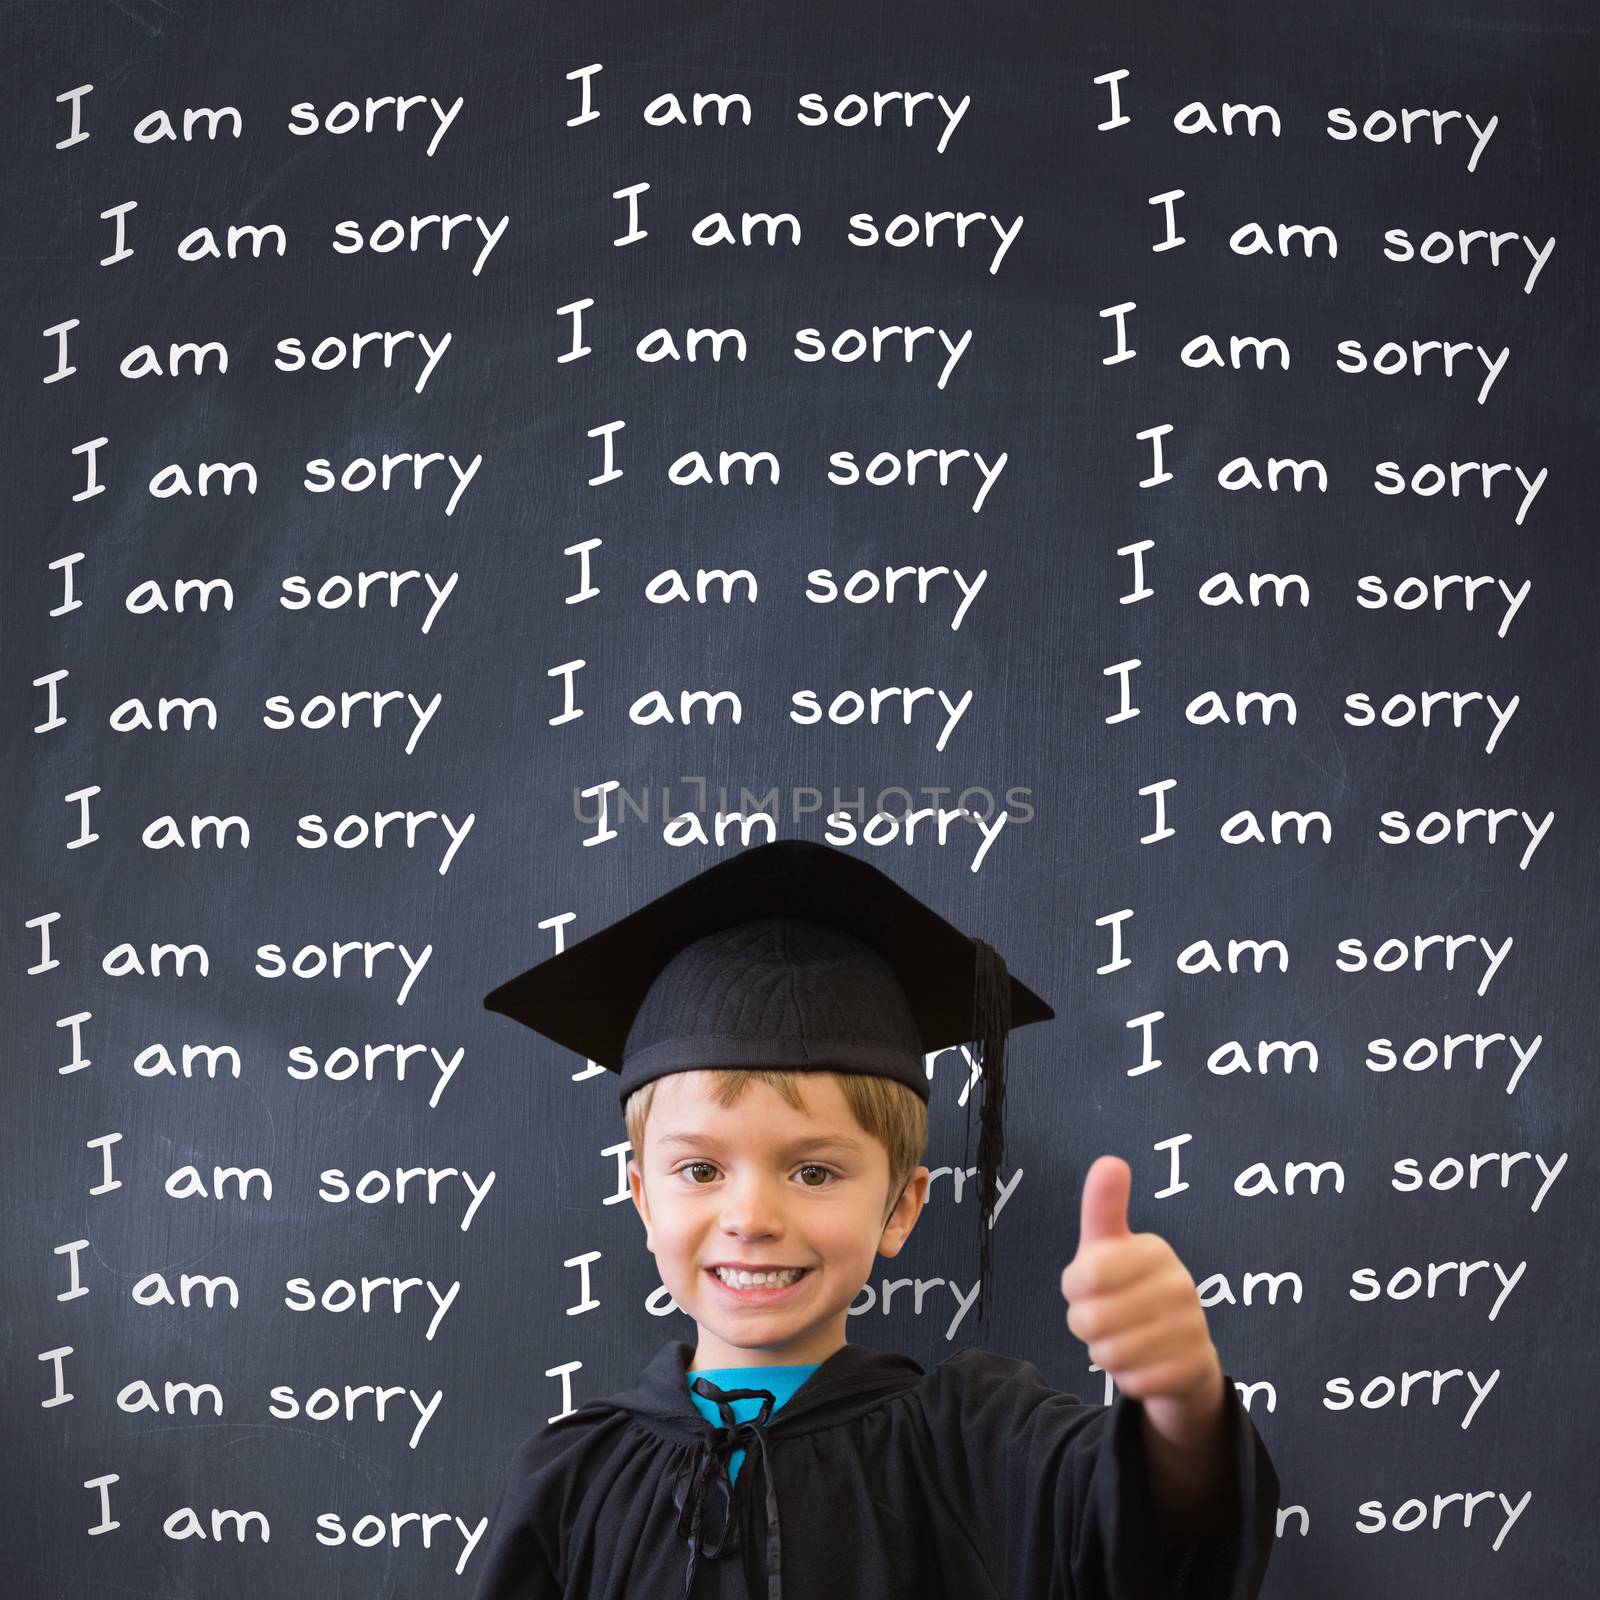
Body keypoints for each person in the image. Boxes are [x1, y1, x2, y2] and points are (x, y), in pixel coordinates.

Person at [471, 839, 1279, 1598]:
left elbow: (1162, 1544)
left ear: (900, 1209)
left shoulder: (974, 1441)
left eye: (814, 1171)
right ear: (643, 1200)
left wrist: (1178, 1400)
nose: (749, 1215)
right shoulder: (572, 1475)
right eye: (701, 1170)